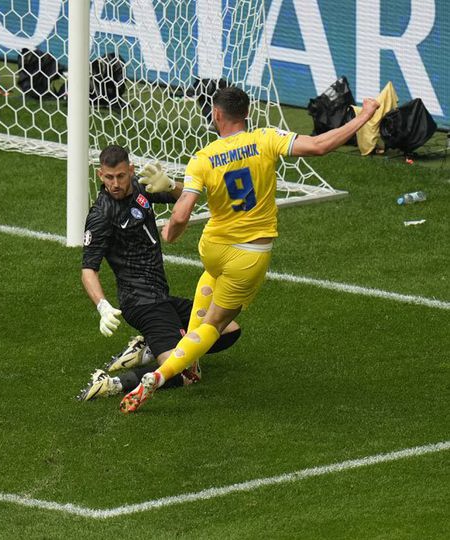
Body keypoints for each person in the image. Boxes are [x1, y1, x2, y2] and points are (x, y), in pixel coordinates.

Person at [119, 86, 380, 413]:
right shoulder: (265, 139)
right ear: (247, 113)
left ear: (216, 115)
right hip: (248, 255)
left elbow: (184, 210)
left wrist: (172, 224)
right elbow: (319, 145)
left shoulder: (203, 157)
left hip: (214, 248)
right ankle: (160, 376)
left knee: (210, 278)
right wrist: (366, 115)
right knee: (215, 324)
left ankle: (192, 364)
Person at [77, 144, 242, 402]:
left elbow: (185, 197)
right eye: (109, 177)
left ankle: (149, 348)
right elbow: (88, 268)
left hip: (161, 297)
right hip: (141, 303)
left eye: (121, 175)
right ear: (100, 175)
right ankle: (111, 383)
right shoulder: (101, 215)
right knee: (182, 373)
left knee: (229, 330)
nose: (116, 183)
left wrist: (169, 185)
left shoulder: (140, 188)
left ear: (130, 171)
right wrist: (102, 306)